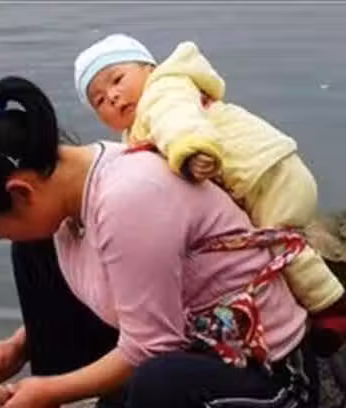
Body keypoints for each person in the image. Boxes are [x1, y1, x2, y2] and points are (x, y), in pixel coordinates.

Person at [0, 76, 318, 407]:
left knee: (160, 382)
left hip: (261, 373)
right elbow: (126, 290)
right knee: (34, 248)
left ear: (21, 192)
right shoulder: (69, 194)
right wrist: (19, 345)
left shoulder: (128, 197)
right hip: (188, 341)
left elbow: (154, 346)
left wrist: (45, 391)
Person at [73, 34, 346, 352]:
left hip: (266, 175)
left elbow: (179, 123)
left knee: (279, 243)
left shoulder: (164, 91)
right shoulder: (135, 131)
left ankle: (331, 307)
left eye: (117, 79)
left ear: (150, 68)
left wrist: (190, 151)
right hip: (251, 179)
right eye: (99, 101)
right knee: (262, 248)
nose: (113, 96)